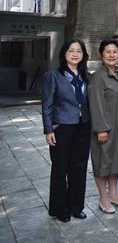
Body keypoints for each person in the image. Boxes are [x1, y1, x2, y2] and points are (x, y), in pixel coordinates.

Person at [42, 38, 91, 222]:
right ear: (64, 53)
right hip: (62, 127)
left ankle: (76, 206)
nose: (75, 54)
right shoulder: (53, 76)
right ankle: (59, 208)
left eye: (79, 51)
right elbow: (47, 105)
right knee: (60, 169)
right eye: (71, 50)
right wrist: (48, 130)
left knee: (78, 168)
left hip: (83, 126)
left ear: (83, 55)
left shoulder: (86, 75)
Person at [89, 38, 118, 214]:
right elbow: (96, 104)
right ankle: (103, 198)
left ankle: (114, 195)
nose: (112, 55)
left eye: (115, 52)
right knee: (103, 162)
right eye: (108, 52)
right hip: (105, 129)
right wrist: (101, 128)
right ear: (101, 55)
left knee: (115, 161)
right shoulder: (98, 77)